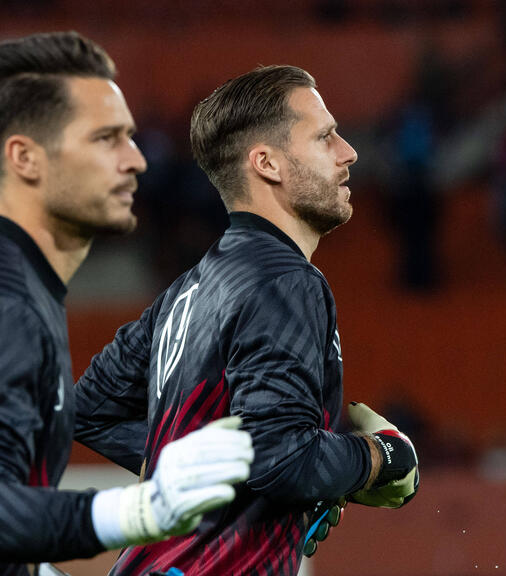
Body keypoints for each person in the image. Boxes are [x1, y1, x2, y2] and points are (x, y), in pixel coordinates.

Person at [0, 32, 254, 576]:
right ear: (25, 159)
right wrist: (144, 508)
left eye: (130, 137)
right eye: (106, 138)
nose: (135, 159)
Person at [75, 65, 420, 576]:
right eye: (325, 136)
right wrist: (379, 458)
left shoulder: (187, 291)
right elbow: (281, 457)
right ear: (268, 163)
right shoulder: (287, 282)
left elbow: (90, 410)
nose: (348, 152)